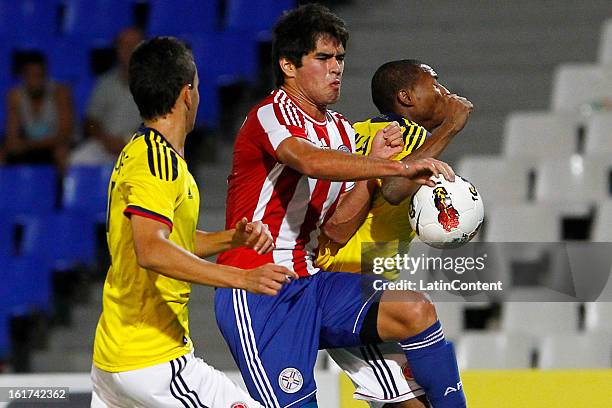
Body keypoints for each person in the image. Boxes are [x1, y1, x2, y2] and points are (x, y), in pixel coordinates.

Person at [214, 4, 465, 408]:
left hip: (316, 279)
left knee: (415, 311)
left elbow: (337, 230)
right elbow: (308, 160)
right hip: (258, 287)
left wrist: (373, 177)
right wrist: (395, 164)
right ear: (288, 66)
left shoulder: (342, 131)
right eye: (323, 58)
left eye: (340, 59)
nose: (336, 69)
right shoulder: (270, 114)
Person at [90, 36, 297, 408]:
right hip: (150, 360)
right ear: (187, 94)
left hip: (117, 356)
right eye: (198, 86)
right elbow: (151, 250)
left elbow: (170, 239)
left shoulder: (143, 152)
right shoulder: (158, 164)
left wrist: (231, 240)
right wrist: (242, 278)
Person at [317, 60, 473, 407]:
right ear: (406, 97)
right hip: (353, 287)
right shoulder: (411, 136)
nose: (445, 93)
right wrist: (450, 127)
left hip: (354, 280)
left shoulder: (354, 132)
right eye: (435, 85)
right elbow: (394, 187)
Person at [71, 27, 144, 165]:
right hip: (105, 145)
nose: (129, 50)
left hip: (141, 147)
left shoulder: (157, 83)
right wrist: (104, 139)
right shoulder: (105, 82)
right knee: (75, 161)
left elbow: (161, 123)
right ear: (117, 49)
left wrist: (128, 141)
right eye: (124, 45)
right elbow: (90, 121)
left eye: (135, 45)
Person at [1, 51, 74, 174]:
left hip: (52, 146)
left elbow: (64, 134)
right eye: (31, 76)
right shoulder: (15, 96)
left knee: (62, 153)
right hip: (30, 146)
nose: (36, 81)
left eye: (39, 75)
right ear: (24, 76)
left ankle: (63, 192)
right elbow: (12, 136)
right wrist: (19, 145)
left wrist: (28, 145)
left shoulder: (60, 93)